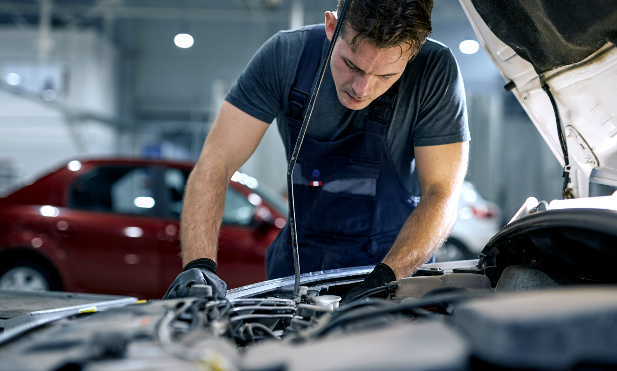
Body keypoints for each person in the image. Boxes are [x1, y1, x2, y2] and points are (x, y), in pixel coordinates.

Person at [163, 0, 469, 301]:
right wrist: (199, 266)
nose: (361, 88)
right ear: (332, 27)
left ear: (413, 52)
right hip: (296, 270)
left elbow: (441, 194)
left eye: (385, 76)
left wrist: (387, 279)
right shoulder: (285, 57)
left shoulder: (435, 71)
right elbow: (216, 162)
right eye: (351, 64)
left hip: (391, 272)